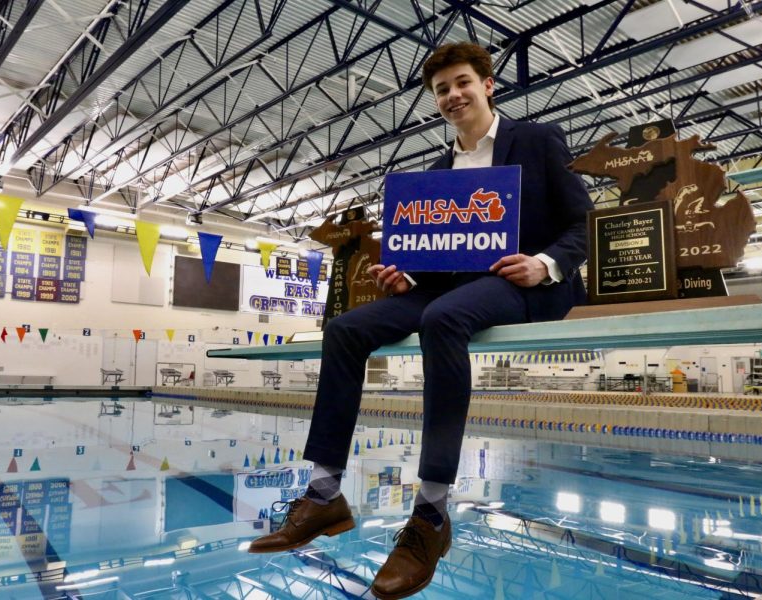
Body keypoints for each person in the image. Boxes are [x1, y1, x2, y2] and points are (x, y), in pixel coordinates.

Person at [248, 41, 593, 599]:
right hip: (447, 287)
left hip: (519, 280)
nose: (453, 95)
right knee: (345, 328)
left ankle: (431, 515)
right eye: (441, 90)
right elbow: (436, 263)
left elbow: (581, 222)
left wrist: (545, 263)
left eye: (462, 83)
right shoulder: (438, 171)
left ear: (488, 84)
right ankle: (323, 492)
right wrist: (404, 276)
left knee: (442, 320)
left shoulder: (535, 141)